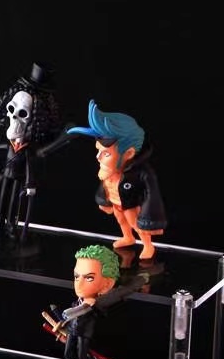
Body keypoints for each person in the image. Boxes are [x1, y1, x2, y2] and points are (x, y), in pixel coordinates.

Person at [67, 100, 166, 260]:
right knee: (121, 221)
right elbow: (105, 184)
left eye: (106, 153)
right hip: (115, 202)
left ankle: (148, 245)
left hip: (130, 204)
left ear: (129, 154)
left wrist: (148, 216)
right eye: (98, 150)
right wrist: (103, 199)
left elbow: (151, 193)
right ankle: (128, 237)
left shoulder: (140, 173)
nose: (98, 157)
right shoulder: (109, 170)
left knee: (134, 224)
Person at [0, 62, 64, 239]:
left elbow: (29, 166)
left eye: (22, 114)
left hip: (19, 178)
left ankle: (11, 225)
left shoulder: (28, 149)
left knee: (14, 201)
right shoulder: (10, 144)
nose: (13, 116)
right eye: (11, 110)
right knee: (3, 197)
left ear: (35, 120)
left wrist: (30, 184)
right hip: (6, 175)